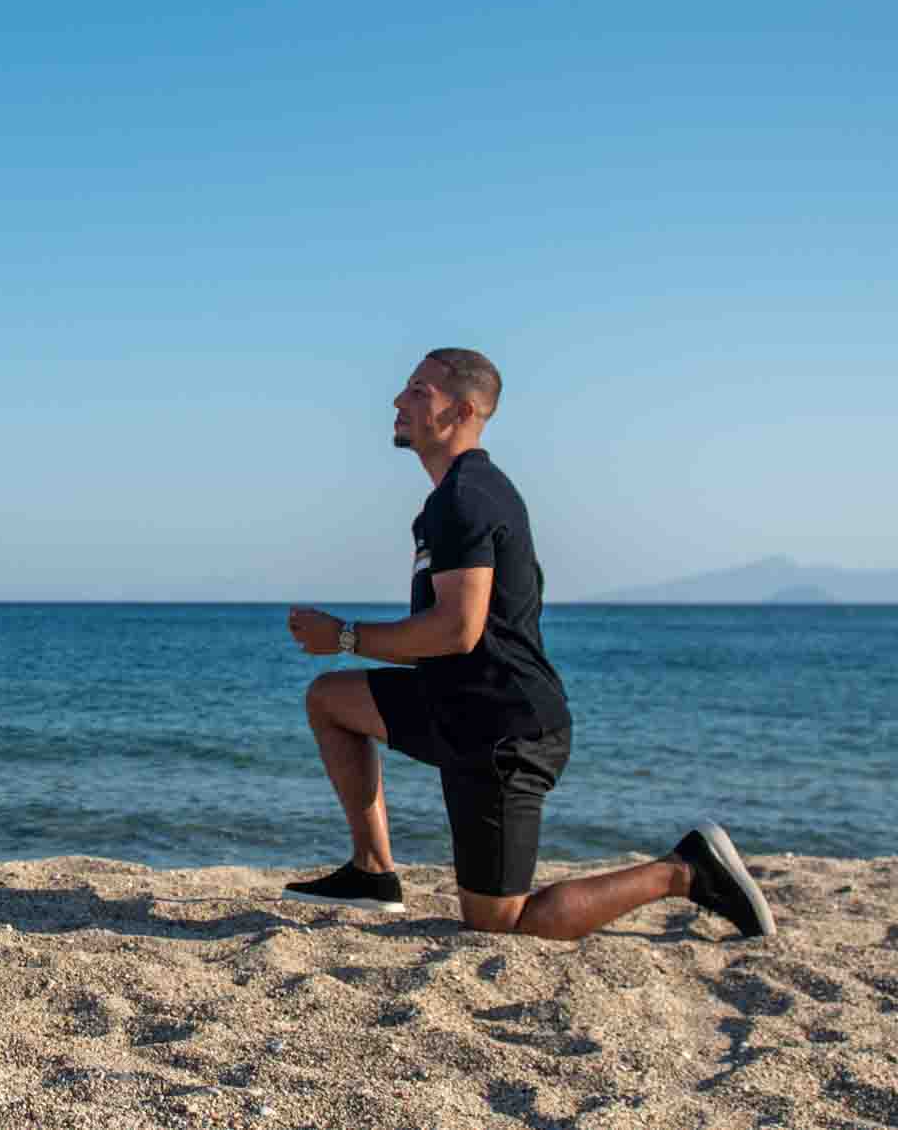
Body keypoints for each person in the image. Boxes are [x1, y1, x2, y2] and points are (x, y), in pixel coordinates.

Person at [282, 348, 775, 941]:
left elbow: (455, 629)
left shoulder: (467, 497)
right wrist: (346, 642)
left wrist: (343, 635)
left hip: (504, 730)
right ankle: (372, 871)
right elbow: (443, 640)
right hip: (455, 706)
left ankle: (684, 870)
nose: (398, 401)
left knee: (502, 922)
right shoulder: (456, 496)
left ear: (462, 411)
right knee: (330, 700)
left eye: (418, 391)